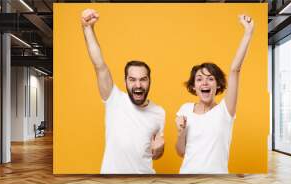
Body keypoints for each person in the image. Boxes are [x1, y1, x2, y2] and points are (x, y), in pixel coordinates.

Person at [81, 9, 165, 174]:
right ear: (125, 81)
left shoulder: (159, 112)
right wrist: (87, 28)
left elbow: (155, 154)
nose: (138, 85)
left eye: (143, 79)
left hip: (145, 183)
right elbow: (99, 65)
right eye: (132, 79)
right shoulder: (114, 99)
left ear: (149, 81)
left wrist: (160, 149)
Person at [175, 15, 254, 174]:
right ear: (194, 86)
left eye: (210, 79)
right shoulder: (185, 109)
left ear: (217, 85)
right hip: (187, 179)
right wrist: (181, 131)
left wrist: (248, 33)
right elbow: (181, 151)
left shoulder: (225, 111)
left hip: (217, 183)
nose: (204, 83)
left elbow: (234, 70)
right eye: (199, 79)